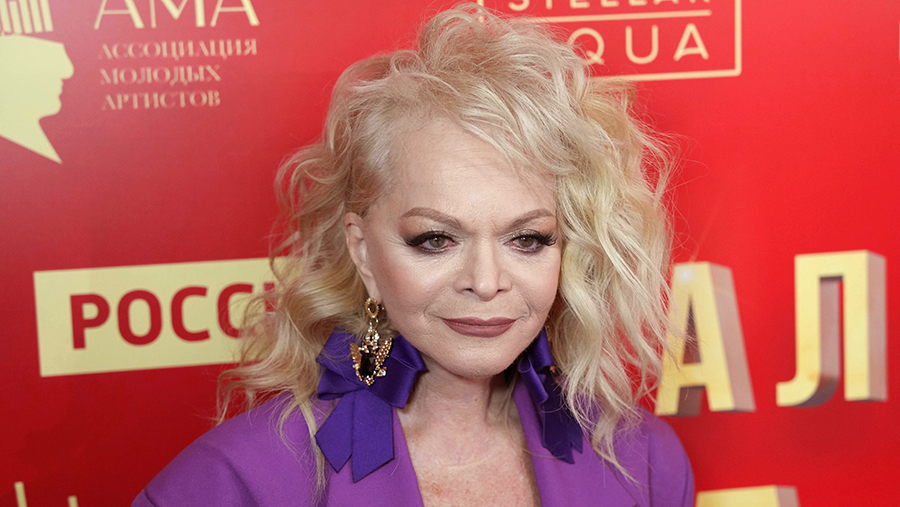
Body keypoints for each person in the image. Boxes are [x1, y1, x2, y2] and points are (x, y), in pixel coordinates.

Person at [133, 4, 693, 506]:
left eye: (527, 239)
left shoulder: (644, 463)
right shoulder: (235, 483)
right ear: (363, 252)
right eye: (435, 239)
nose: (485, 281)